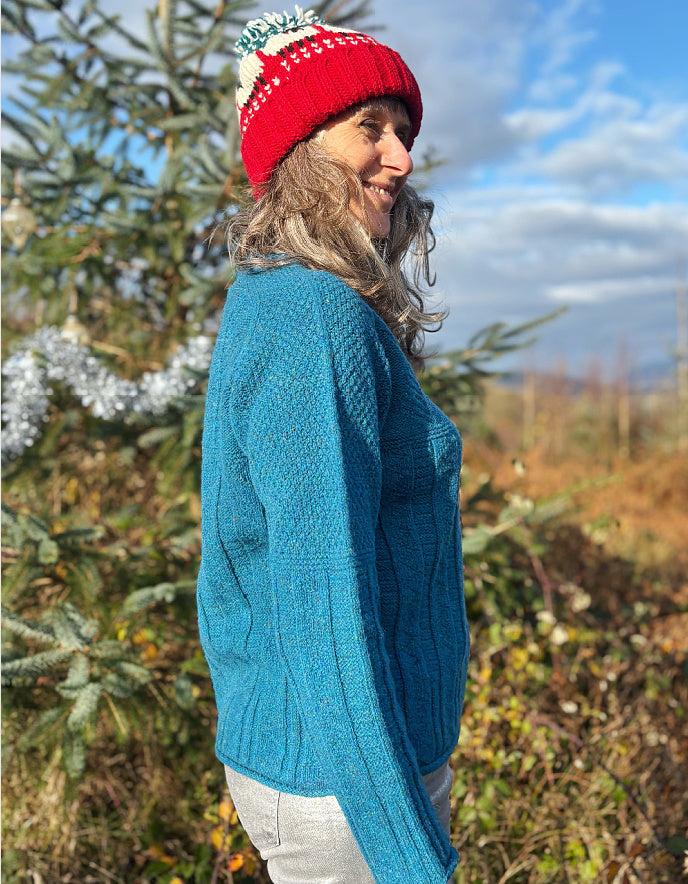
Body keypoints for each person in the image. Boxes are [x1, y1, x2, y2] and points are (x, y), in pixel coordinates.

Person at [197, 8, 470, 883]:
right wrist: (408, 856)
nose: (402, 156)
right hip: (347, 789)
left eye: (403, 130)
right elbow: (323, 605)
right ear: (302, 152)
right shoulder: (314, 317)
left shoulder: (286, 299)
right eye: (370, 128)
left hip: (341, 766)